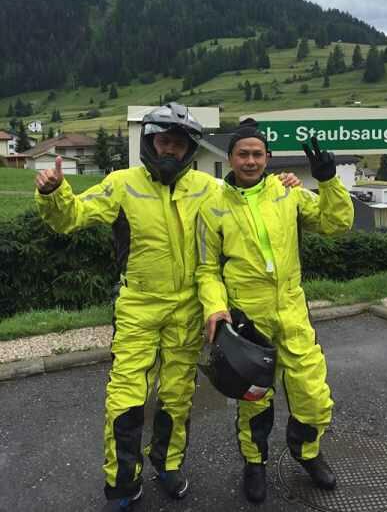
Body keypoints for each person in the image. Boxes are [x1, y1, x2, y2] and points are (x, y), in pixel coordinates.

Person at [34, 104, 299, 511]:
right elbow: (72, 217)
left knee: (177, 394)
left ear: (189, 149)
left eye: (178, 144)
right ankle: (123, 482)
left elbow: (248, 197)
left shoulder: (208, 189)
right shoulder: (122, 184)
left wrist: (279, 183)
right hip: (139, 304)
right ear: (149, 142)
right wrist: (54, 192)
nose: (170, 151)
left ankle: (168, 465)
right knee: (127, 396)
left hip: (188, 308)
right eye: (164, 142)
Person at [196, 118, 354, 503]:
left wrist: (328, 181)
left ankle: (307, 452)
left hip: (292, 310)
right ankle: (255, 464)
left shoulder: (288, 193)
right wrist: (216, 307)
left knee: (313, 395)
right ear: (230, 158)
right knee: (254, 399)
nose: (250, 161)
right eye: (242, 154)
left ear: (267, 157)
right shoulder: (212, 207)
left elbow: (337, 222)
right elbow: (206, 268)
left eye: (257, 154)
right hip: (249, 319)